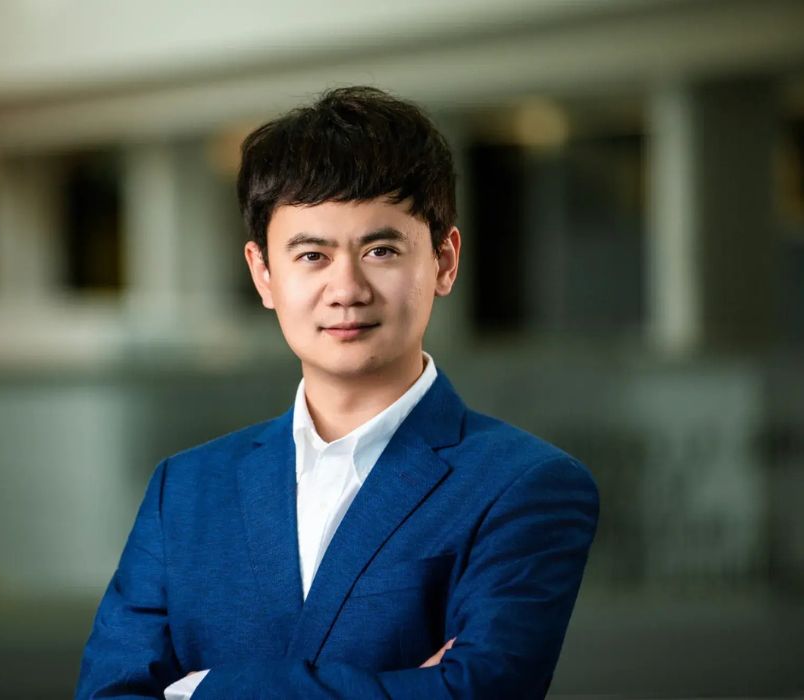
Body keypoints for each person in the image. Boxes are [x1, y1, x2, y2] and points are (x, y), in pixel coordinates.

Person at [75, 86, 599, 700]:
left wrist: (202, 691)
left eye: (381, 250)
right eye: (311, 256)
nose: (346, 289)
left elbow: (476, 692)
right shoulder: (185, 490)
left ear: (445, 261)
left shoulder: (525, 486)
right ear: (263, 274)